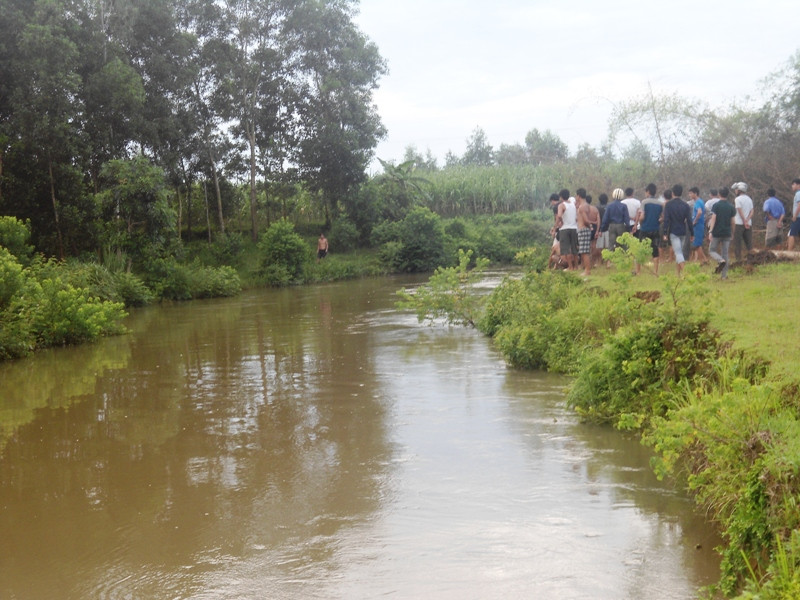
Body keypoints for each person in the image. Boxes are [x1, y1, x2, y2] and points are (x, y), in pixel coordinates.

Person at [662, 184, 693, 275]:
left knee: (678, 252)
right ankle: (678, 274)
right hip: (683, 231)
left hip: (673, 231)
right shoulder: (685, 205)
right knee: (679, 253)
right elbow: (689, 220)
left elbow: (666, 220)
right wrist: (692, 233)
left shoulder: (669, 205)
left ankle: (685, 272)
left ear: (672, 193)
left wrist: (664, 232)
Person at [707, 187, 737, 279]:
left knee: (712, 250)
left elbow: (713, 218)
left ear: (719, 194)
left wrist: (711, 231)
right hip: (727, 233)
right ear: (727, 194)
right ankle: (724, 276)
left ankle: (720, 260)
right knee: (725, 253)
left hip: (717, 232)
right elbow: (733, 222)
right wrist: (732, 232)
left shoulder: (716, 205)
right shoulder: (731, 206)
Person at [635, 183, 664, 275]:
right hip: (655, 229)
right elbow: (662, 217)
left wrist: (640, 222)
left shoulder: (644, 202)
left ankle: (638, 271)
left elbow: (642, 216)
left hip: (645, 229)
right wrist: (658, 222)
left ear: (648, 192)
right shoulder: (660, 204)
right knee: (655, 250)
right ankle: (656, 272)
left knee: (640, 250)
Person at [600, 188, 629, 256]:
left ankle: (609, 261)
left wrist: (602, 228)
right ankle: (622, 258)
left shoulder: (609, 206)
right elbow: (626, 219)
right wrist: (628, 229)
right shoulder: (624, 206)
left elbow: (605, 218)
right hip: (621, 226)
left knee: (611, 244)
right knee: (622, 243)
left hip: (612, 226)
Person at [556, 189, 578, 270]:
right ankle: (576, 267)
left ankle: (570, 267)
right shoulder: (573, 205)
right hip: (574, 228)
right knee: (574, 248)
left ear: (561, 197)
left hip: (565, 229)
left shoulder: (561, 205)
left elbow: (559, 215)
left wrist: (559, 223)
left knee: (566, 249)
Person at [732, 182, 754, 261]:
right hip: (749, 224)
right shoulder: (749, 199)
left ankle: (738, 260)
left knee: (737, 243)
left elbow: (739, 210)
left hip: (739, 223)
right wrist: (747, 220)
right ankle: (751, 259)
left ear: (739, 190)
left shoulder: (737, 199)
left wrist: (744, 221)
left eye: (736, 189)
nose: (735, 191)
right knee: (749, 243)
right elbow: (752, 211)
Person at [575, 188, 594, 276]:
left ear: (578, 196)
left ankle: (587, 270)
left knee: (584, 251)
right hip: (585, 229)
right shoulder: (586, 205)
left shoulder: (582, 207)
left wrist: (589, 224)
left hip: (583, 229)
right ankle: (587, 269)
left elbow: (586, 220)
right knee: (584, 250)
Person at [688, 187, 708, 265]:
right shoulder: (698, 202)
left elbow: (699, 212)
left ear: (695, 193)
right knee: (697, 245)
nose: (689, 195)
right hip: (698, 225)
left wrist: (695, 221)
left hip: (698, 225)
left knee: (697, 245)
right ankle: (705, 260)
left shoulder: (698, 202)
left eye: (691, 193)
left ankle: (702, 261)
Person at [790, 178, 800, 251]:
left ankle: (789, 252)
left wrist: (795, 216)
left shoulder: (798, 193)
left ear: (798, 184)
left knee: (792, 234)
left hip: (798, 217)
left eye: (793, 184)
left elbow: (799, 205)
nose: (792, 186)